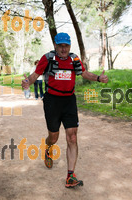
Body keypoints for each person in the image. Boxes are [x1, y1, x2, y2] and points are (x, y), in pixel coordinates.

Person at [22, 32, 108, 188]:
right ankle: (48, 148)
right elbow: (36, 74)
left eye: (66, 46)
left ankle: (70, 176)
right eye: (60, 45)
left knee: (72, 137)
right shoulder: (47, 58)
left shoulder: (74, 59)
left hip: (69, 101)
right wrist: (28, 81)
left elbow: (84, 73)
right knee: (53, 137)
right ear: (55, 45)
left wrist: (98, 78)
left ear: (69, 46)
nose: (63, 49)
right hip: (52, 101)